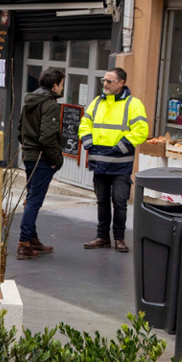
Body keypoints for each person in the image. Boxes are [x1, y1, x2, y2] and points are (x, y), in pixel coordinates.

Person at [79, 67, 149, 253]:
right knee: (102, 201)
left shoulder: (133, 104)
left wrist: (120, 147)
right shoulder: (97, 102)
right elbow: (85, 123)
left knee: (119, 202)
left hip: (120, 164)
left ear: (121, 83)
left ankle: (119, 238)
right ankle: (102, 237)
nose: (105, 84)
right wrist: (88, 142)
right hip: (100, 162)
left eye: (109, 81)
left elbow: (141, 130)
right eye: (104, 80)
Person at [17, 69, 65, 260]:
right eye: (61, 84)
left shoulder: (30, 100)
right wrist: (56, 160)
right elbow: (48, 137)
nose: (62, 88)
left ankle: (31, 238)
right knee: (34, 200)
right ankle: (24, 244)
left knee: (32, 197)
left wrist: (28, 148)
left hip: (30, 155)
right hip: (42, 158)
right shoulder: (50, 105)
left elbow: (21, 129)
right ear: (55, 86)